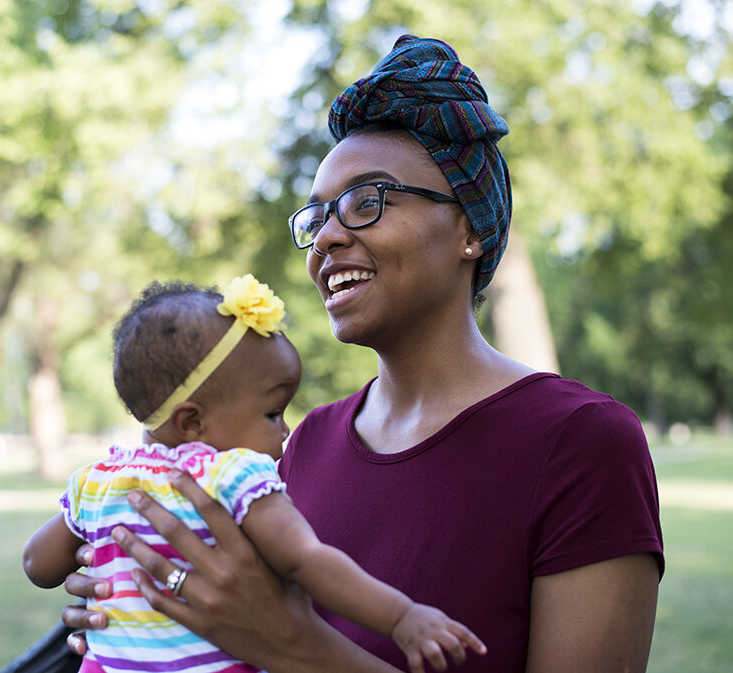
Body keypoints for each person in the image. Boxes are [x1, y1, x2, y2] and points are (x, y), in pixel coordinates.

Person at [56, 35, 664, 673]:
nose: (328, 237)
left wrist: (296, 649)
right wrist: (142, 605)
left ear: (469, 231)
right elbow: (233, 616)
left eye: (366, 201)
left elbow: (277, 636)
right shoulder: (301, 442)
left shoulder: (580, 442)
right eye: (317, 215)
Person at [22, 274, 486, 673]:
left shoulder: (99, 479)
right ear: (192, 423)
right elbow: (307, 560)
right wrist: (402, 618)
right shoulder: (231, 473)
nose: (284, 431)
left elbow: (38, 566)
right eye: (271, 413)